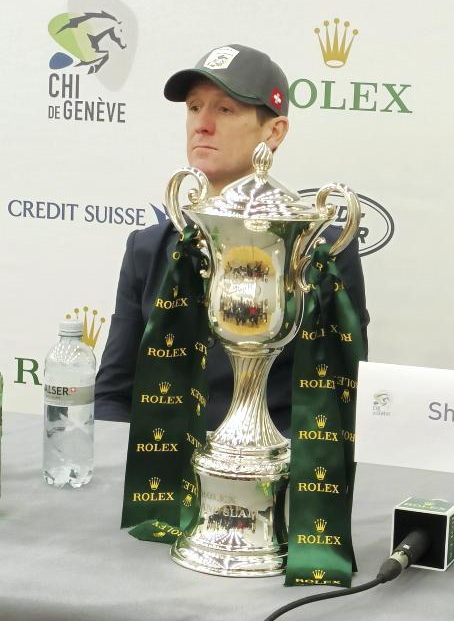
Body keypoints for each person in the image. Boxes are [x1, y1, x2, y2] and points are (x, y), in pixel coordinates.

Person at [96, 43, 368, 433]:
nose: (202, 124)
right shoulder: (148, 248)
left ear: (274, 131)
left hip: (275, 462)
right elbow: (112, 396)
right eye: (194, 107)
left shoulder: (322, 252)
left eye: (225, 109)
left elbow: (340, 399)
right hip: (162, 464)